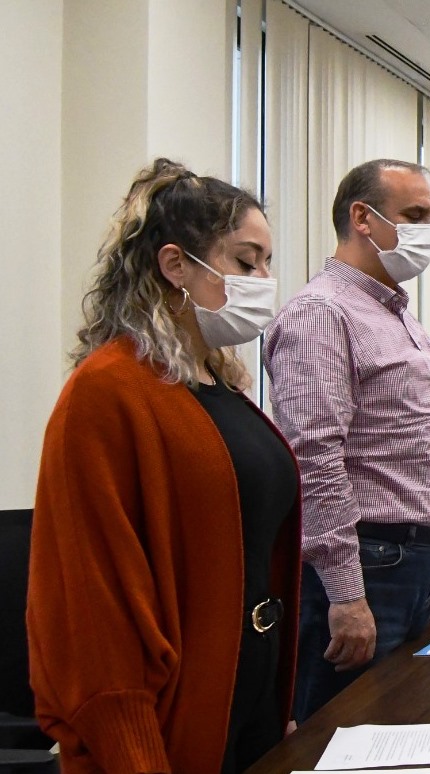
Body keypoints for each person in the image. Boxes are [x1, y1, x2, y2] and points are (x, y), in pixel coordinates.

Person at [29, 159, 300, 772]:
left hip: (248, 702)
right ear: (176, 265)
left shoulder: (215, 380)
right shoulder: (108, 391)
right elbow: (94, 608)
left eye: (267, 262)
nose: (264, 280)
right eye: (246, 262)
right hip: (168, 731)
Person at [265, 159, 430, 722]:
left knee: (407, 728)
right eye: (414, 215)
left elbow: (414, 446)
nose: (426, 231)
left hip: (416, 558)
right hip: (367, 564)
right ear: (362, 217)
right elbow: (314, 459)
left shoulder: (395, 313)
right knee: (347, 735)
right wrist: (345, 591)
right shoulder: (321, 314)